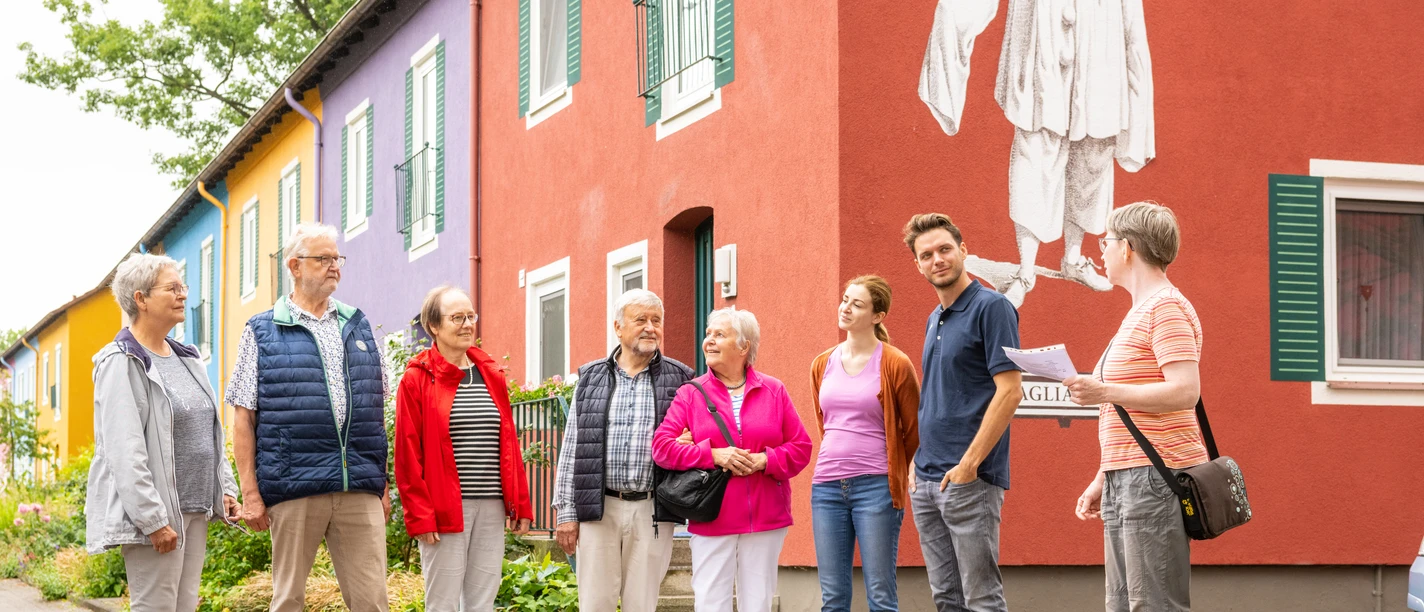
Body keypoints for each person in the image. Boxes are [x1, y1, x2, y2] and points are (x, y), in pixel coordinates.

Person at [918, 0, 1155, 307]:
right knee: (1035, 154)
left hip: (1101, 42)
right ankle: (1026, 271)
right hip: (1043, 39)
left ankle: (1072, 257)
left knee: (1093, 155)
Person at [226, 223, 392, 612]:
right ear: (295, 266)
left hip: (358, 486)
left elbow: (375, 410)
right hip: (293, 486)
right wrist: (251, 493)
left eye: (337, 258)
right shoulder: (262, 331)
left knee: (373, 602)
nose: (334, 266)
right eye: (324, 259)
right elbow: (243, 419)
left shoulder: (359, 325)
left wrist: (381, 483)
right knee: (288, 601)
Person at [1065, 202, 1204, 612]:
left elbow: (1184, 392)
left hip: (1152, 479)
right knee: (1125, 605)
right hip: (1128, 477)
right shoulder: (1141, 311)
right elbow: (1131, 414)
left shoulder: (1166, 308)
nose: (1101, 250)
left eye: (1105, 242)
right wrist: (1102, 477)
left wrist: (1105, 391)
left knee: (1152, 605)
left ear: (1126, 249)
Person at [87, 252, 239, 612]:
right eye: (172, 288)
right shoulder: (121, 361)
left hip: (194, 510)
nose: (183, 294)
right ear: (140, 298)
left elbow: (210, 431)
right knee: (155, 608)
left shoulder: (187, 359)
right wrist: (153, 521)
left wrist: (226, 487)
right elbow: (125, 452)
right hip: (158, 518)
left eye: (182, 286)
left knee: (185, 607)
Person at [652, 307, 812, 612]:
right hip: (712, 514)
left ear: (743, 346)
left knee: (758, 604)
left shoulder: (773, 390)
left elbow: (801, 447)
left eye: (719, 335)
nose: (709, 341)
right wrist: (711, 454)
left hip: (766, 516)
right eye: (709, 334)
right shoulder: (691, 394)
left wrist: (766, 460)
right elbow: (662, 447)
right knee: (711, 603)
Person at [903, 213, 1024, 612]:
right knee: (946, 599)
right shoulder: (934, 317)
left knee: (982, 599)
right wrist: (916, 460)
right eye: (927, 255)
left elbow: (1009, 392)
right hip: (927, 480)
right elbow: (940, 396)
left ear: (964, 251)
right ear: (917, 265)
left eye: (944, 249)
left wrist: (970, 463)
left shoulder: (993, 307)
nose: (937, 259)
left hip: (970, 479)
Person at [551, 289, 695, 612]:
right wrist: (566, 513)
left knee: (641, 605)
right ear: (618, 327)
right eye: (640, 319)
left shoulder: (682, 378)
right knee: (595, 604)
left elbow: (696, 438)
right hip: (599, 508)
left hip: (652, 510)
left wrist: (689, 444)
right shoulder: (590, 378)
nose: (650, 327)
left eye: (656, 320)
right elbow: (572, 446)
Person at [395, 285, 534, 611]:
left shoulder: (491, 374)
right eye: (457, 317)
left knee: (482, 602)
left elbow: (509, 444)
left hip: (491, 506)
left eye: (471, 316)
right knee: (443, 603)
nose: (467, 324)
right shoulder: (417, 378)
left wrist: (520, 503)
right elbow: (407, 455)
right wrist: (420, 516)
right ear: (434, 326)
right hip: (444, 511)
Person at [809, 275, 921, 612]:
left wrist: (900, 474)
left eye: (857, 304)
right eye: (845, 299)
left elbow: (914, 430)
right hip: (826, 488)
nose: (845, 308)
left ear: (877, 316)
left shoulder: (895, 364)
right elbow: (824, 424)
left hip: (877, 488)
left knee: (881, 598)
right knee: (833, 599)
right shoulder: (821, 363)